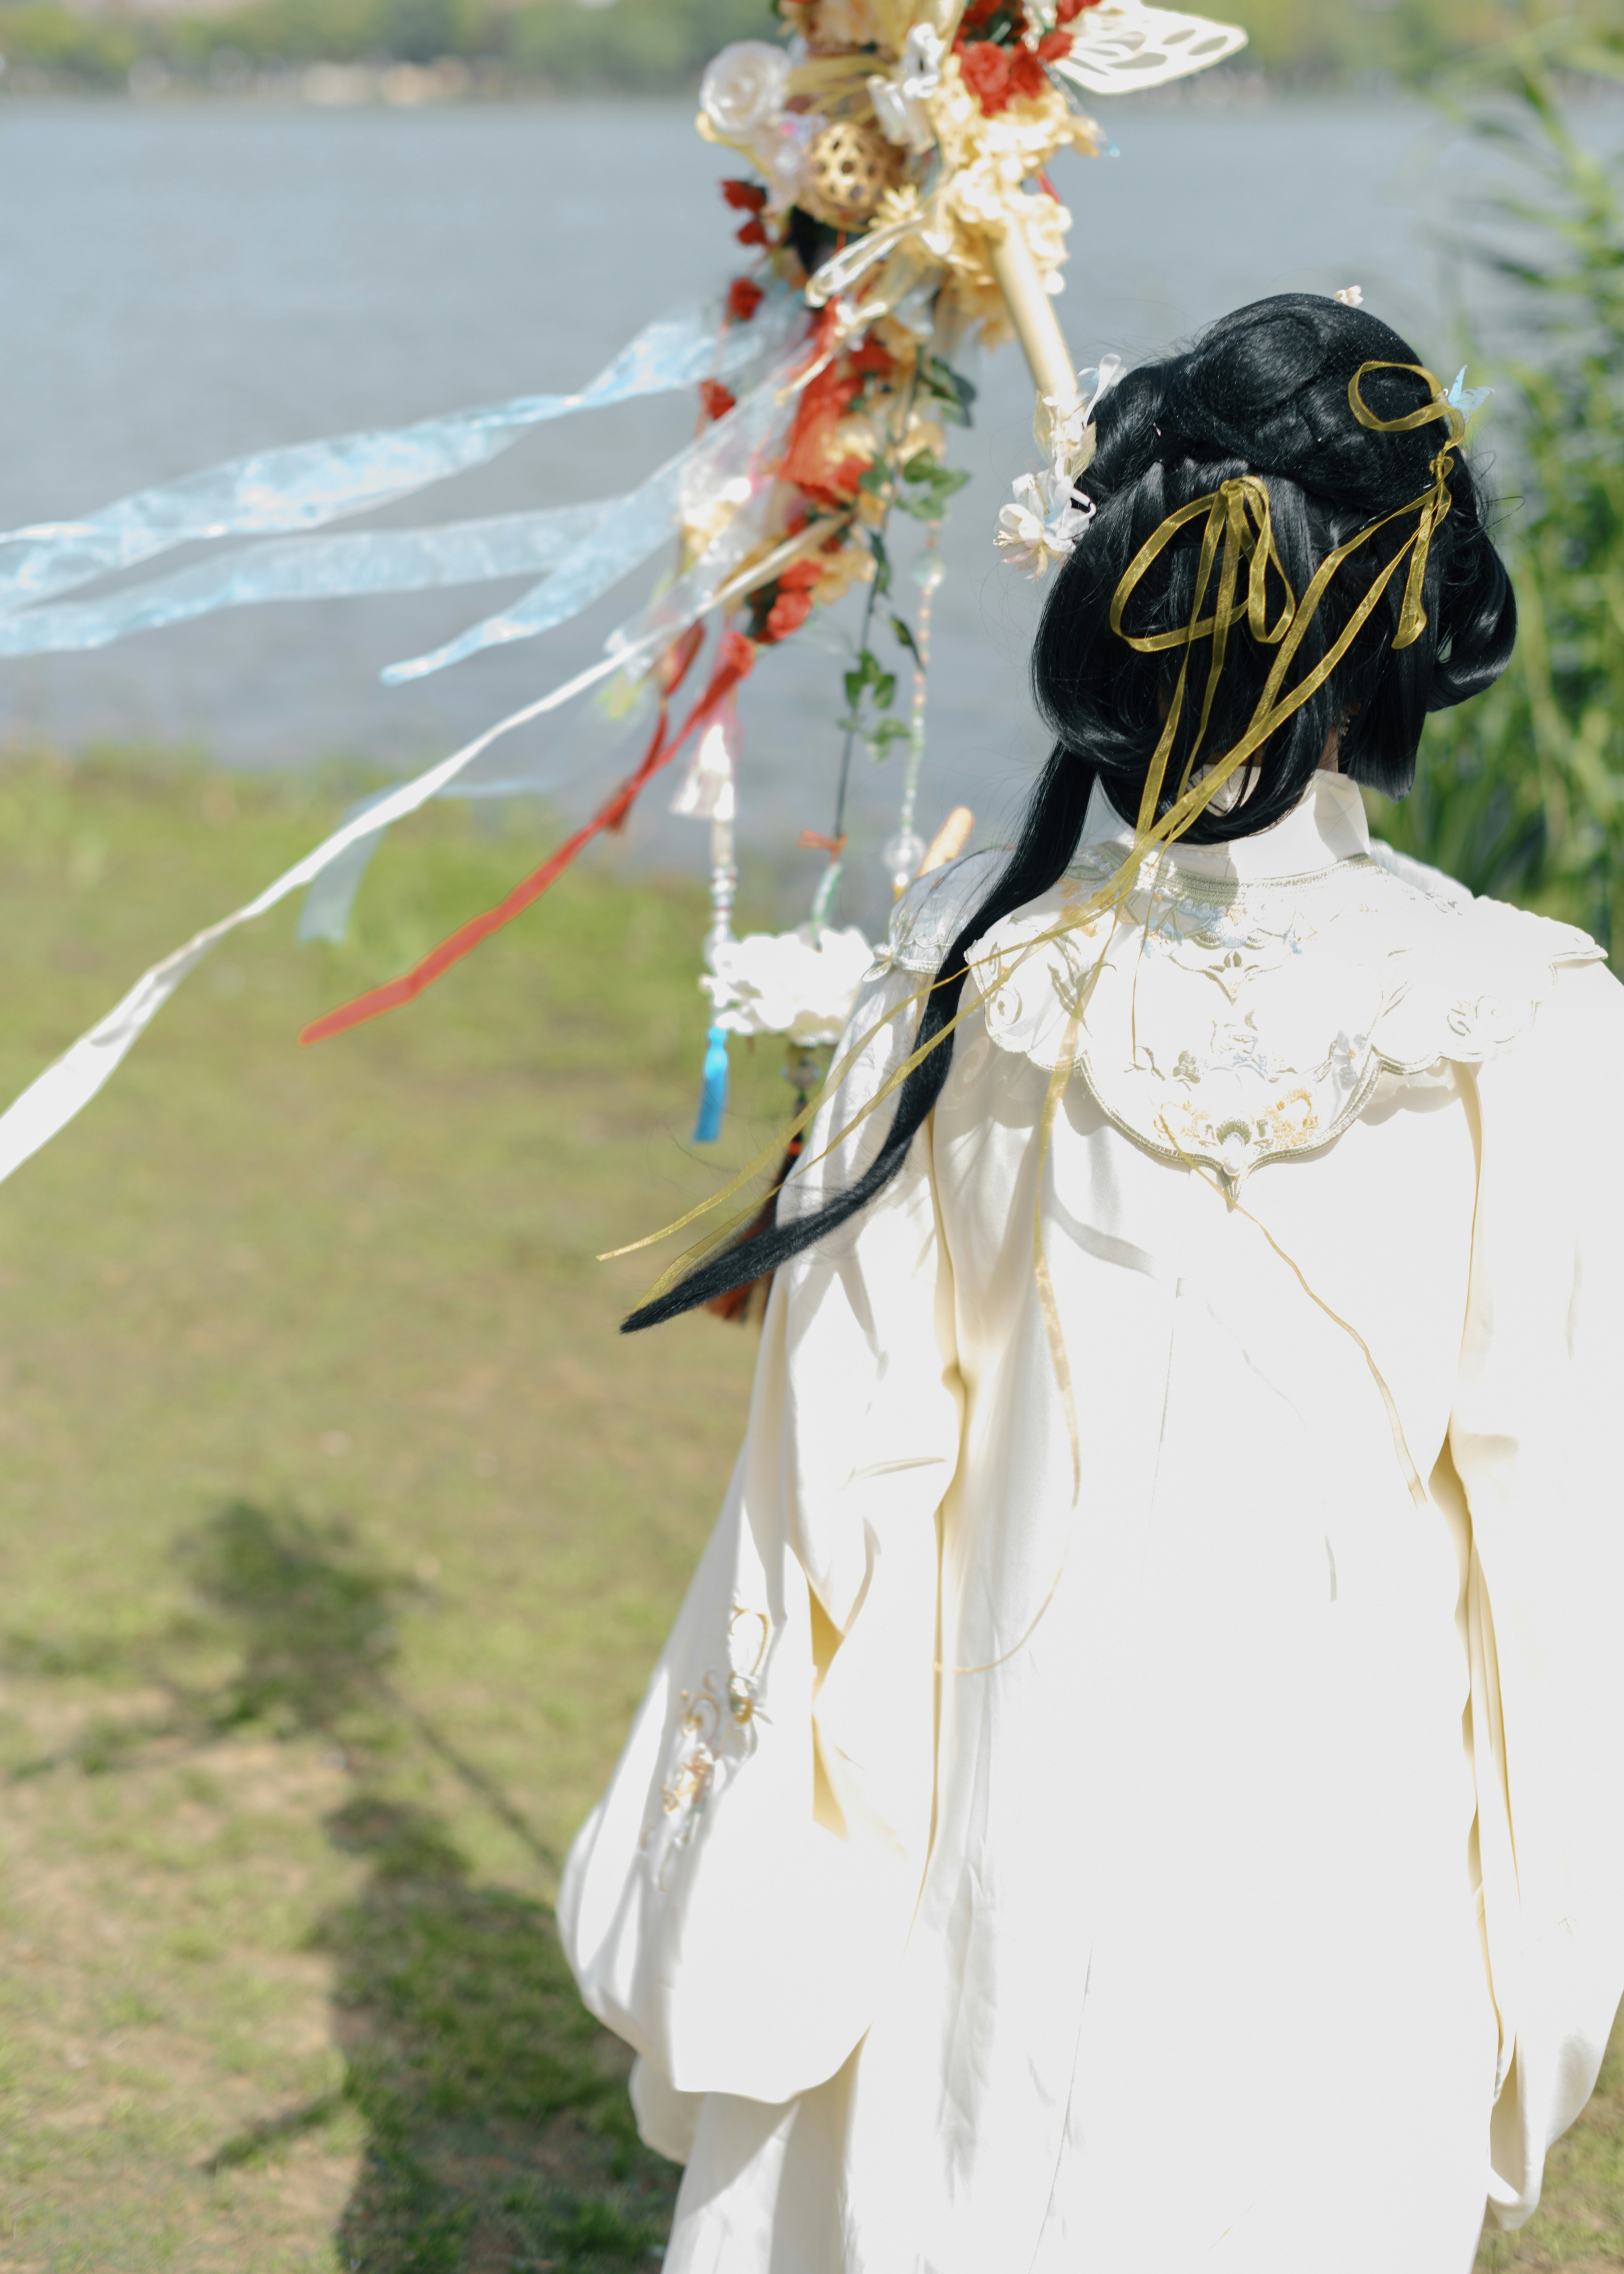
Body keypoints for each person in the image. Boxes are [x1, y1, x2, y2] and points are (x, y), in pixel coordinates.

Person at [559, 293, 1624, 2272]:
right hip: (1343, 1882)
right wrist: (1539, 1977)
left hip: (984, 1824)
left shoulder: (968, 979)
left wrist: (743, 1901)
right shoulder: (1523, 1016)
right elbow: (1561, 1582)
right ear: (1416, 615)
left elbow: (829, 1500)